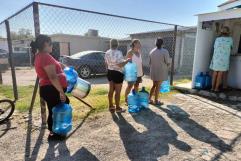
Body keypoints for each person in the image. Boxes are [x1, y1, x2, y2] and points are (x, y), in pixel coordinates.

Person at [31, 34, 70, 139]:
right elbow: (52, 77)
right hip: (51, 88)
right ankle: (55, 133)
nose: (52, 46)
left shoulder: (44, 55)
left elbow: (57, 64)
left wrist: (66, 68)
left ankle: (56, 131)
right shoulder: (44, 56)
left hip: (49, 88)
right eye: (51, 44)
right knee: (58, 107)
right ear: (45, 44)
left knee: (56, 107)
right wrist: (61, 92)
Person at [105, 39, 130, 113]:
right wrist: (127, 61)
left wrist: (108, 69)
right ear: (117, 44)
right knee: (118, 92)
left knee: (111, 90)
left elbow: (106, 63)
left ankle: (111, 106)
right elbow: (120, 64)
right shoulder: (119, 52)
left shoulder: (107, 52)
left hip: (110, 72)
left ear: (110, 44)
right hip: (117, 73)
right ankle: (118, 108)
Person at [210, 26, 233, 92]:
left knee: (215, 73)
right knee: (220, 74)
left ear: (221, 32)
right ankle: (216, 88)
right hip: (224, 59)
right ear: (228, 32)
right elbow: (231, 48)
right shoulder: (230, 39)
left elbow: (214, 47)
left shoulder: (217, 39)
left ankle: (212, 88)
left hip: (216, 58)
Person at [149, 38, 170, 105]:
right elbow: (167, 62)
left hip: (153, 71)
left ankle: (149, 99)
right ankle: (156, 101)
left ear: (156, 43)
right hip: (161, 71)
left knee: (154, 85)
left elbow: (150, 62)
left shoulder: (152, 51)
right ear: (162, 44)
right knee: (158, 86)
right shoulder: (165, 51)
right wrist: (168, 66)